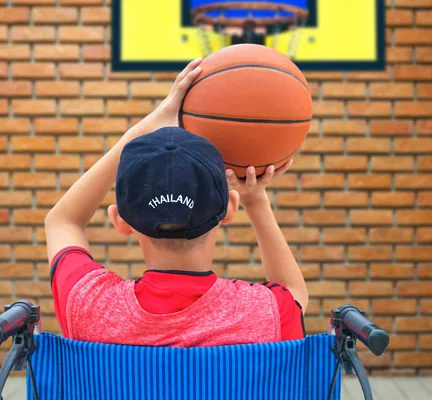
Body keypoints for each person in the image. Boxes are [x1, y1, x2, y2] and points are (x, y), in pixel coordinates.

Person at [45, 59, 308, 347]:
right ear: (230, 208)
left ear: (120, 219)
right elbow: (294, 291)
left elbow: (62, 220)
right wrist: (255, 200)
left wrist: (145, 126)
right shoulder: (266, 314)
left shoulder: (89, 305)